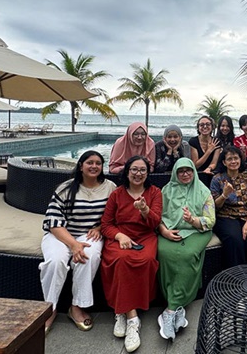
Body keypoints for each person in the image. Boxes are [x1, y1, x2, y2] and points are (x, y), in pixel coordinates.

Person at [40, 151, 117, 334]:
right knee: (55, 261)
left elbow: (114, 216)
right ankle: (49, 309)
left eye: (98, 163)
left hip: (89, 235)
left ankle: (76, 307)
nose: (94, 166)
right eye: (89, 162)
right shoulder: (65, 188)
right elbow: (52, 222)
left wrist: (99, 228)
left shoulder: (110, 187)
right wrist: (73, 245)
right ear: (81, 166)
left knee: (88, 257)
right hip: (61, 234)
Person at [100, 156, 162, 352]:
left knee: (146, 260)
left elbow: (155, 223)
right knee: (120, 259)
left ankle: (121, 309)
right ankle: (132, 319)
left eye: (142, 170)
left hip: (145, 236)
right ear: (127, 172)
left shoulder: (154, 193)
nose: (138, 174)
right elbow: (106, 225)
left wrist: (144, 209)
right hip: (121, 237)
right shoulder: (117, 195)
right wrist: (119, 236)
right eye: (134, 169)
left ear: (147, 173)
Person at [157, 158, 215, 341]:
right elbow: (157, 215)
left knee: (187, 255)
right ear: (175, 172)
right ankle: (179, 308)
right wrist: (164, 231)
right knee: (165, 253)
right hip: (169, 231)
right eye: (180, 171)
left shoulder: (203, 191)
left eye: (188, 170)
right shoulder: (166, 191)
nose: (185, 174)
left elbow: (210, 220)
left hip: (197, 231)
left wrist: (192, 220)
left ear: (193, 171)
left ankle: (170, 310)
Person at [210, 145, 247, 267]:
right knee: (234, 239)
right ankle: (236, 276)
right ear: (224, 162)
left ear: (240, 159)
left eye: (236, 158)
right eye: (229, 159)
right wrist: (224, 194)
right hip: (225, 216)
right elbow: (214, 206)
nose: (233, 161)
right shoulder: (217, 179)